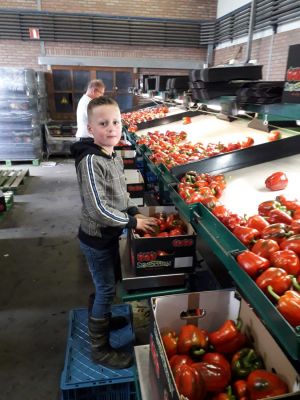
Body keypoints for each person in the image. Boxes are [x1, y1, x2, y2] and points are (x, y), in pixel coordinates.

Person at [71, 96, 157, 369]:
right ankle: (100, 349)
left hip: (111, 235)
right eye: (103, 123)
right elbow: (97, 208)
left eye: (116, 122)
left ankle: (103, 319)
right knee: (106, 289)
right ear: (90, 128)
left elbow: (120, 195)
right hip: (96, 239)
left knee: (107, 284)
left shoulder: (113, 154)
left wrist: (133, 211)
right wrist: (132, 224)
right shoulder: (90, 161)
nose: (111, 128)